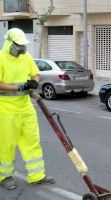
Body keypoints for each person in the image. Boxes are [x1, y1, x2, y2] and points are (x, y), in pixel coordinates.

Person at [0, 28, 55, 190]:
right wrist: (19, 87)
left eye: (24, 45)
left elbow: (35, 74)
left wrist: (35, 82)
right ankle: (5, 176)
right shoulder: (1, 58)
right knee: (6, 145)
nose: (22, 49)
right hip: (6, 109)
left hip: (26, 107)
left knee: (32, 141)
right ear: (9, 43)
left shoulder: (26, 57)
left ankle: (36, 175)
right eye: (19, 45)